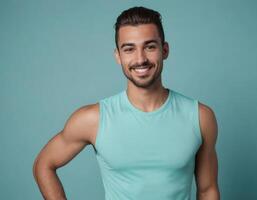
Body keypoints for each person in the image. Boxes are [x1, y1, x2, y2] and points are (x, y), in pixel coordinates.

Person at [33, 6, 220, 200]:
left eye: (150, 47)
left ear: (165, 50)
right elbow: (43, 164)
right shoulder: (93, 119)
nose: (140, 59)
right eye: (129, 49)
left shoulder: (200, 117)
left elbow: (208, 190)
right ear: (118, 56)